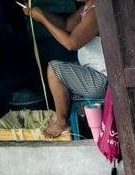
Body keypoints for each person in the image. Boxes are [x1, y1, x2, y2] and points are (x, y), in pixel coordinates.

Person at [20, 0, 107, 138]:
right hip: (94, 74)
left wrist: (43, 19)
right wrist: (40, 13)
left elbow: (71, 43)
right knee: (62, 68)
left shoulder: (97, 10)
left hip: (102, 81)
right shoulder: (87, 7)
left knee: (55, 70)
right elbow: (66, 24)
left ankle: (62, 122)